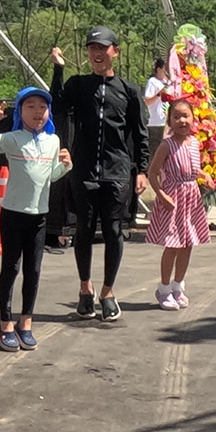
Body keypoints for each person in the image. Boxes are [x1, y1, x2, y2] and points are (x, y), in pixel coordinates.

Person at [49, 26, 150, 322]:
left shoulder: (129, 90)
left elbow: (140, 133)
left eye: (103, 47)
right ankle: (85, 289)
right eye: (92, 47)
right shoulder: (78, 85)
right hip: (84, 169)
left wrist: (141, 169)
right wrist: (58, 70)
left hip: (117, 171)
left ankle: (108, 291)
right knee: (82, 229)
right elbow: (56, 104)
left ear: (114, 51)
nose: (96, 52)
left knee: (114, 231)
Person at [0, 88, 72, 351]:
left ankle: (26, 322)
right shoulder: (13, 138)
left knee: (33, 271)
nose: (37, 112)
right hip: (13, 214)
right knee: (11, 268)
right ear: (20, 112)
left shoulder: (53, 141)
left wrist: (66, 165)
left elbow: (51, 176)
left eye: (42, 107)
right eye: (30, 106)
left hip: (39, 216)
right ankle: (5, 324)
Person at [146, 98, 210, 310]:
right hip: (173, 198)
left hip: (191, 199)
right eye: (176, 116)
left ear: (193, 118)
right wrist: (161, 195)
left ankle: (177, 286)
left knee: (188, 244)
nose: (182, 120)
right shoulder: (167, 145)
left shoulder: (194, 143)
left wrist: (203, 175)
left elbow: (191, 168)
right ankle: (163, 289)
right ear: (170, 121)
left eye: (186, 116)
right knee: (172, 245)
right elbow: (153, 173)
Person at [143, 57, 170, 128]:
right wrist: (159, 94)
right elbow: (147, 101)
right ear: (159, 70)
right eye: (165, 69)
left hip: (169, 122)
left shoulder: (169, 82)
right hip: (157, 123)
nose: (167, 71)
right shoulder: (152, 81)